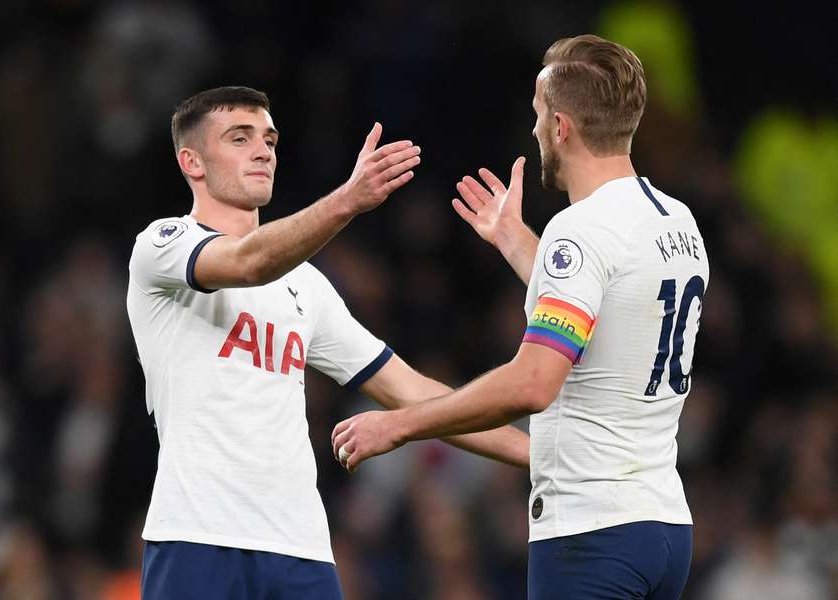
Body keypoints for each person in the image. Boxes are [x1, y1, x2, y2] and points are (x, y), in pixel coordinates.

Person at [332, 35, 708, 600]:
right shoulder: (676, 220)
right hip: (664, 528)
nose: (533, 133)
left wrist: (400, 425)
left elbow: (533, 383)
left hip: (590, 533)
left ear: (561, 127)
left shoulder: (580, 230)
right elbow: (605, 312)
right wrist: (515, 239)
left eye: (537, 117)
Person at [126, 86, 529, 600]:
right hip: (197, 538)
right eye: (239, 137)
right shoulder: (162, 246)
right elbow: (248, 263)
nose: (262, 150)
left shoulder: (306, 287)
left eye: (269, 139)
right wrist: (347, 201)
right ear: (192, 161)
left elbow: (412, 391)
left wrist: (540, 455)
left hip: (301, 547)